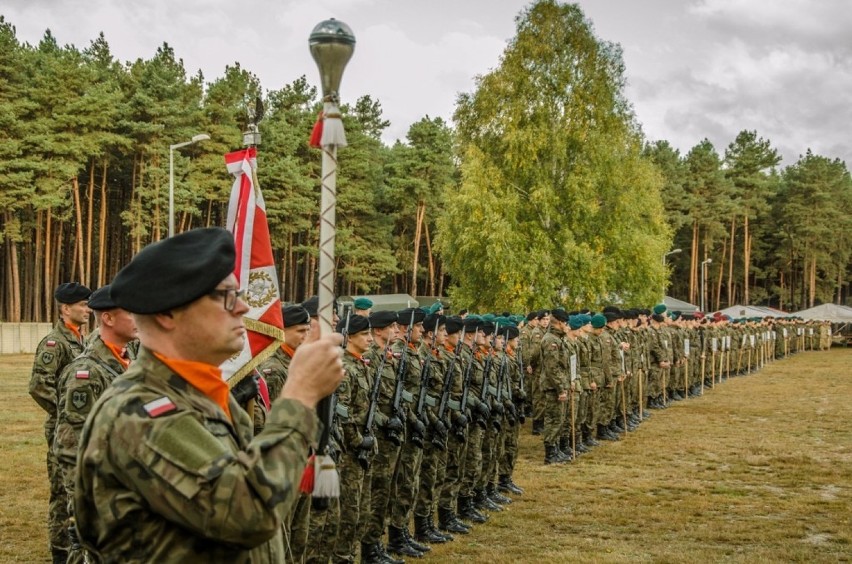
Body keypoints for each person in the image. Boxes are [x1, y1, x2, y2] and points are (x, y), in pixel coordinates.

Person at [74, 227, 344, 562]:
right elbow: (247, 513)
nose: (243, 307)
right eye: (226, 296)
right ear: (167, 313)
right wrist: (300, 393)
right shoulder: (138, 412)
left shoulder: (205, 394)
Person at [53, 284, 137, 564]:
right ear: (108, 318)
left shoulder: (128, 362)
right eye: (131, 312)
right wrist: (82, 506)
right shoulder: (86, 374)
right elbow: (70, 445)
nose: (139, 318)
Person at [30, 281, 91, 563]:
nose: (87, 309)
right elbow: (39, 385)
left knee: (76, 492)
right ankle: (60, 553)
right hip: (61, 430)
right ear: (66, 308)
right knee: (60, 494)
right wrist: (64, 413)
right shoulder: (54, 343)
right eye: (82, 304)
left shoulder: (80, 339)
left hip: (79, 429)